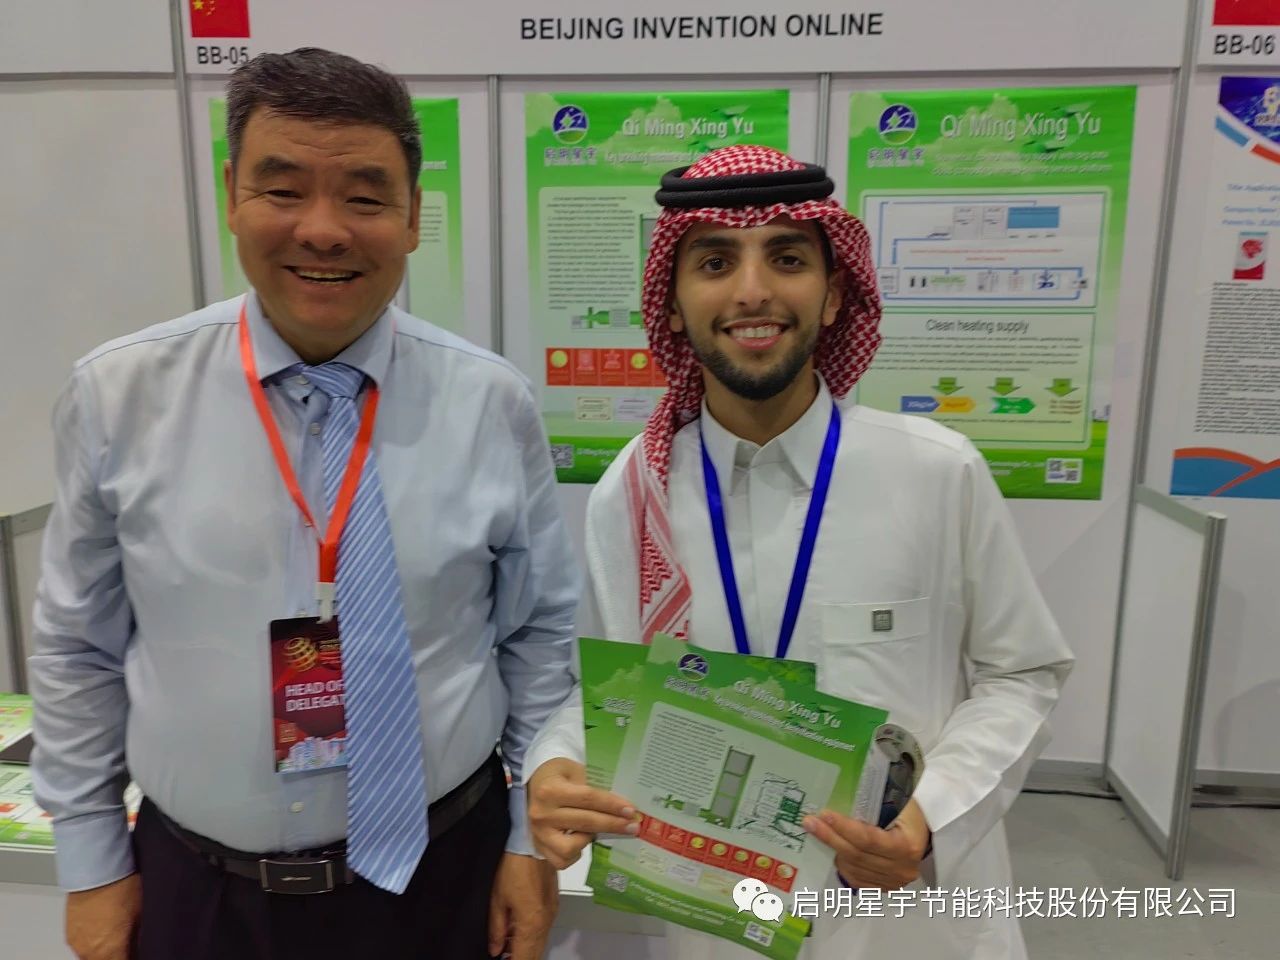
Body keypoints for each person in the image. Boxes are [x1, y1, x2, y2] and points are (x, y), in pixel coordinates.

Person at [29, 48, 576, 960]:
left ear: (413, 216)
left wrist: (528, 841)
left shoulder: (490, 403)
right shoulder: (119, 395)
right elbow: (75, 646)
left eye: (364, 197)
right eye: (282, 191)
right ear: (230, 193)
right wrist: (90, 863)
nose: (322, 231)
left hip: (445, 879)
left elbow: (539, 637)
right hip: (197, 891)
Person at [523, 145, 1074, 959]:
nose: (753, 291)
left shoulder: (934, 472)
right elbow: (606, 691)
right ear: (670, 303)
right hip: (715, 916)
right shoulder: (634, 492)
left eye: (786, 258)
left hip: (900, 921)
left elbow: (1020, 674)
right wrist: (554, 763)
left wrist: (931, 819)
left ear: (834, 291)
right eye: (715, 262)